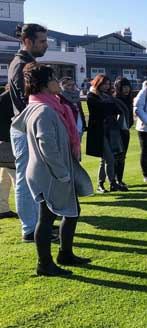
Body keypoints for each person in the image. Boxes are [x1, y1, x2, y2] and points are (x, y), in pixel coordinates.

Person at [11, 63, 93, 276]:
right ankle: (45, 264)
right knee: (46, 219)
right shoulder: (44, 110)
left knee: (71, 212)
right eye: (54, 78)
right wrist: (63, 174)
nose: (58, 82)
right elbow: (47, 146)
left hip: (52, 171)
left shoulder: (48, 106)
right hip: (50, 174)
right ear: (44, 84)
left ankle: (65, 254)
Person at [7, 24, 53, 242]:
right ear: (28, 41)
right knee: (25, 179)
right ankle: (29, 229)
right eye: (42, 41)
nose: (46, 45)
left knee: (34, 179)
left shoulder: (26, 63)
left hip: (29, 126)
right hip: (24, 127)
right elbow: (26, 101)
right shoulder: (20, 65)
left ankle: (37, 226)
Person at [86, 75, 125, 193]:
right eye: (104, 84)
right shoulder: (92, 96)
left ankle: (101, 184)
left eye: (108, 84)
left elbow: (116, 110)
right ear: (98, 83)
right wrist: (109, 107)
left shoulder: (107, 97)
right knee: (110, 158)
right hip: (99, 131)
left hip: (110, 130)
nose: (107, 86)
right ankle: (112, 182)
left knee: (105, 159)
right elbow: (100, 110)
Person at [113, 77, 134, 188]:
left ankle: (119, 179)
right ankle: (114, 180)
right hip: (116, 132)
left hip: (125, 130)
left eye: (127, 87)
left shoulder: (128, 99)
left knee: (122, 156)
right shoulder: (116, 99)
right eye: (123, 87)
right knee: (117, 156)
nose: (126, 89)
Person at [0, 85, 18, 219]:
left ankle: (2, 209)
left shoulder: (5, 98)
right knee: (18, 181)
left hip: (5, 142)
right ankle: (28, 213)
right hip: (9, 143)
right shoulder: (9, 99)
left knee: (4, 178)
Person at [58, 77, 87, 153]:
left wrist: (84, 125)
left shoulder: (77, 96)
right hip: (68, 130)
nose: (72, 87)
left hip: (79, 128)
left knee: (77, 154)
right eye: (69, 85)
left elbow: (81, 112)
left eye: (73, 85)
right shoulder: (60, 98)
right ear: (62, 86)